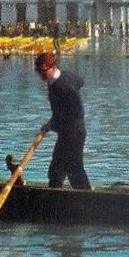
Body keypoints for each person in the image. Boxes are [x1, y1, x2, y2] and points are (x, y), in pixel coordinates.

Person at [34, 51, 91, 189]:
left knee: (59, 169)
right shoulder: (64, 77)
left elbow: (75, 112)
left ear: (51, 67)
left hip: (73, 132)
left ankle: (55, 198)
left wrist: (52, 124)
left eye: (42, 71)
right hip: (70, 131)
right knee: (72, 168)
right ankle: (84, 194)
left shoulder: (62, 86)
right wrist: (52, 123)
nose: (40, 75)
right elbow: (80, 82)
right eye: (38, 71)